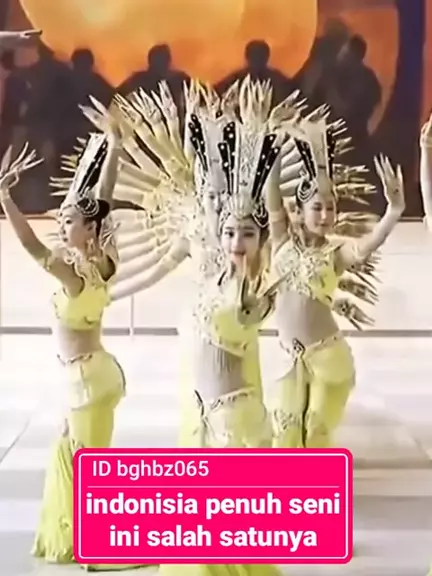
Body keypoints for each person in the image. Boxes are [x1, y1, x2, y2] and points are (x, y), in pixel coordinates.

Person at [78, 78, 290, 576]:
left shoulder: (252, 279)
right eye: (229, 230)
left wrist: (263, 146)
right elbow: (159, 264)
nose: (233, 236)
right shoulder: (206, 250)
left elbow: (273, 234)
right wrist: (109, 293)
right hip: (203, 374)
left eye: (245, 233)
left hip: (233, 398)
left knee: (229, 512)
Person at [0, 118, 129, 568]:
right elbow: (104, 199)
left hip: (87, 380)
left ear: (88, 230)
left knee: (85, 460)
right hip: (94, 374)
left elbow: (32, 247)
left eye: (69, 220)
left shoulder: (74, 275)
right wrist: (114, 146)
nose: (60, 224)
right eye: (61, 218)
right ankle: (85, 537)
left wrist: (6, 201)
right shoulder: (105, 262)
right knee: (78, 453)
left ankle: (98, 545)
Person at [262, 115, 405, 449]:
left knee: (315, 431)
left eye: (330, 208)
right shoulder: (281, 240)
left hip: (327, 357)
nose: (326, 215)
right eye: (317, 208)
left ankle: (318, 481)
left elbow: (368, 245)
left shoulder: (336, 252)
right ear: (299, 210)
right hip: (289, 358)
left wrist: (394, 211)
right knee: (285, 432)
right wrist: (276, 148)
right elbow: (271, 195)